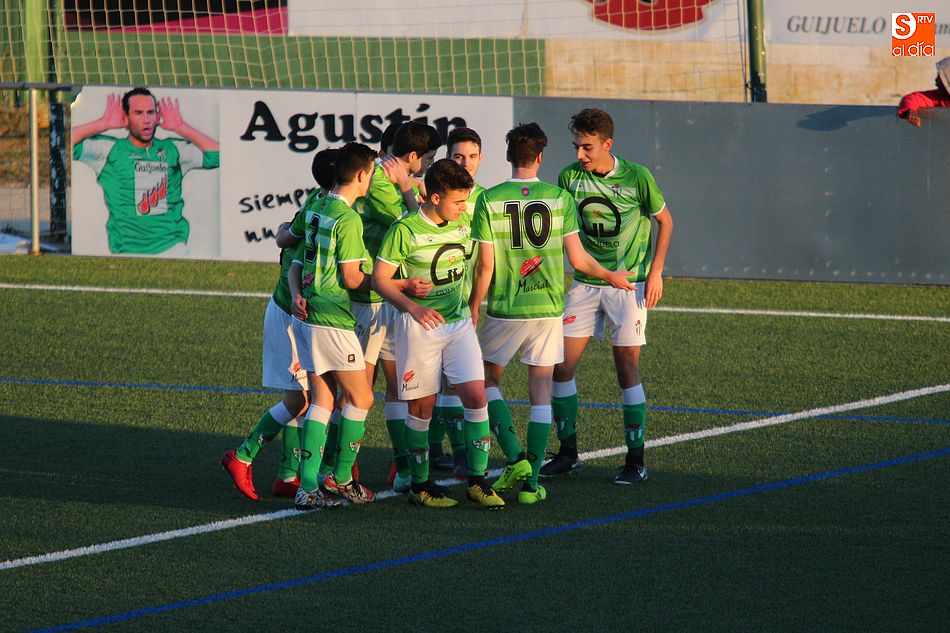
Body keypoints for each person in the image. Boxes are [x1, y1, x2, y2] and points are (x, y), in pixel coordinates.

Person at [468, 122, 635, 504]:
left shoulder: (489, 199)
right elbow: (578, 259)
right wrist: (610, 274)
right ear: (540, 157)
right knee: (541, 393)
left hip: (507, 308)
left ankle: (514, 456)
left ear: (509, 156)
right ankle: (530, 486)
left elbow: (486, 267)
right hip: (547, 309)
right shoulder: (559, 198)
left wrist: (474, 305)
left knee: (486, 381)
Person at [542, 108, 673, 485]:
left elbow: (665, 221)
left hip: (629, 286)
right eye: (576, 146)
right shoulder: (569, 178)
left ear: (607, 144)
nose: (580, 155)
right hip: (585, 283)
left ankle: (636, 460)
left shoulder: (637, 177)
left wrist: (657, 271)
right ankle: (568, 454)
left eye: (587, 147)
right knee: (561, 367)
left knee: (626, 369)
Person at [373, 159, 505, 510]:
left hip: (458, 324)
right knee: (422, 406)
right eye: (458, 202)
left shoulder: (464, 223)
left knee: (476, 397)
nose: (464, 209)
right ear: (434, 197)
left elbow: (480, 262)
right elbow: (380, 280)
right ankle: (420, 485)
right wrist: (412, 307)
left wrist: (474, 302)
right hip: (419, 328)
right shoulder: (405, 230)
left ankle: (477, 481)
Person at [220, 148, 339, 501]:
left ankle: (290, 474)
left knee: (309, 396)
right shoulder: (327, 211)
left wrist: (286, 232)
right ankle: (242, 455)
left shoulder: (318, 202)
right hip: (291, 313)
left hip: (303, 313)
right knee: (300, 398)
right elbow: (291, 249)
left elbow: (285, 235)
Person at [286, 142, 379, 509]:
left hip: (308, 314)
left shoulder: (316, 205)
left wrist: (296, 295)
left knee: (323, 399)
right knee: (362, 396)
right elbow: (353, 279)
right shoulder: (349, 218)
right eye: (371, 174)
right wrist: (392, 283)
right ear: (360, 175)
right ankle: (340, 479)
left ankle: (306, 487)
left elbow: (295, 260)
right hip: (334, 317)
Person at [353, 122, 442, 494]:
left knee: (393, 384)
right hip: (366, 298)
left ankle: (402, 468)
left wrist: (413, 186)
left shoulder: (390, 179)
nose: (432, 163)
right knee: (357, 388)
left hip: (387, 297)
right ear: (410, 157)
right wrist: (409, 188)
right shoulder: (377, 183)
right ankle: (342, 470)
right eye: (430, 158)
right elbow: (410, 226)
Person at [72, 87, 220, 255]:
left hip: (173, 247)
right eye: (138, 113)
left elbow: (218, 156)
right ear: (126, 118)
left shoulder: (172, 149)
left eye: (151, 113)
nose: (146, 119)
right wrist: (103, 123)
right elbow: (66, 144)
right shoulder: (109, 150)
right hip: (127, 249)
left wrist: (180, 126)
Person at [431, 126, 488, 477]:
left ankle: (458, 452)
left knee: (457, 379)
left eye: (472, 157)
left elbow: (487, 259)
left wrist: (477, 302)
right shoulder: (435, 196)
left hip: (466, 304)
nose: (466, 163)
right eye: (458, 157)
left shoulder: (484, 199)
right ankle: (441, 451)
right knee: (433, 381)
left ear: (481, 159)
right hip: (433, 303)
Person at [897, 56, 950, 127]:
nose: (936, 81)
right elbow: (914, 98)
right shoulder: (938, 97)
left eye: (940, 79)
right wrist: (910, 110)